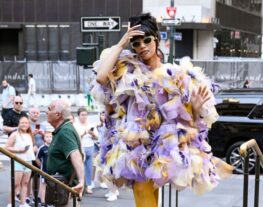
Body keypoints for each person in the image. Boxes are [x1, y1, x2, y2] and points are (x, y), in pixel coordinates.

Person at [92, 13, 233, 207]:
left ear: (156, 40)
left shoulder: (173, 74)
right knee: (143, 195)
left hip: (161, 151)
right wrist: (122, 43)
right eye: (136, 43)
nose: (142, 46)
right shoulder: (129, 70)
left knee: (149, 201)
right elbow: (101, 77)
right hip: (135, 150)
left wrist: (196, 109)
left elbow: (184, 122)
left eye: (147, 40)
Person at [46, 99, 84, 206]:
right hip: (60, 189)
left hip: (66, 191)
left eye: (49, 109)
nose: (46, 112)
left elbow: (76, 155)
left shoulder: (65, 131)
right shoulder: (62, 130)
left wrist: (81, 182)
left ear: (58, 114)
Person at [5, 116, 35, 207]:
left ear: (29, 124)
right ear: (19, 124)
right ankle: (10, 203)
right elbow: (6, 147)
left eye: (26, 123)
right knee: (16, 184)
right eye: (22, 122)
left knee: (25, 183)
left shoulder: (30, 134)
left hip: (28, 161)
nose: (24, 124)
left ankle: (22, 203)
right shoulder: (15, 134)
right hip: (18, 161)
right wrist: (19, 150)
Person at [73, 107, 97, 194]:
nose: (84, 116)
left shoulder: (91, 124)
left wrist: (92, 134)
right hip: (80, 147)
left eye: (86, 115)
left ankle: (88, 186)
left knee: (89, 168)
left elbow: (97, 137)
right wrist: (84, 133)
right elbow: (76, 137)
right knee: (80, 168)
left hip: (90, 146)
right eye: (82, 115)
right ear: (78, 115)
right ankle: (80, 185)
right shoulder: (75, 125)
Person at [36, 131, 52, 206]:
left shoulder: (54, 147)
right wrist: (41, 166)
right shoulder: (42, 148)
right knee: (43, 185)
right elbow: (37, 158)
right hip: (44, 170)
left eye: (50, 136)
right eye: (47, 137)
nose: (49, 138)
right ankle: (42, 202)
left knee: (51, 185)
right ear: (44, 138)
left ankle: (50, 200)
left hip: (53, 171)